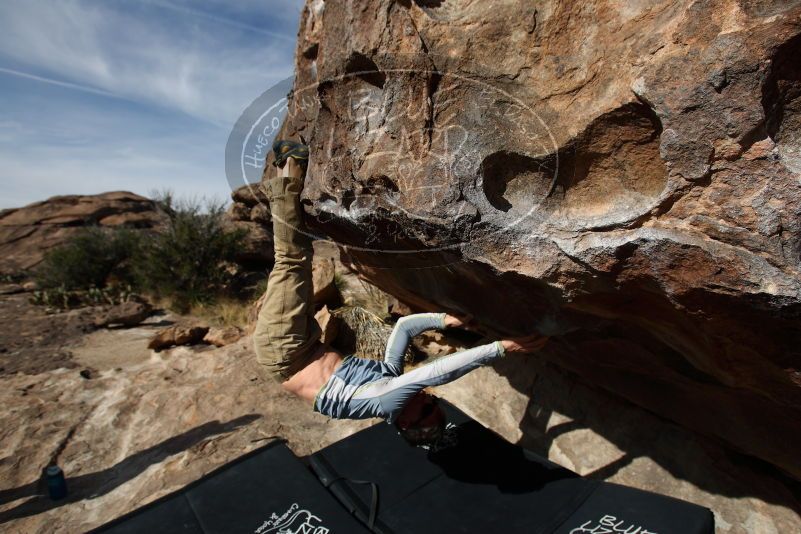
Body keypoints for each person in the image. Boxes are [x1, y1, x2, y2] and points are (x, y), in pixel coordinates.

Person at [253, 140, 548, 445]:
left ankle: (288, 169)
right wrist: (446, 320)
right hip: (307, 343)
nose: (428, 400)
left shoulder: (384, 402)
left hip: (284, 351)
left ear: (404, 422)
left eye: (426, 411)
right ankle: (284, 171)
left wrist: (500, 348)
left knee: (292, 261)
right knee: (298, 260)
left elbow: (429, 375)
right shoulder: (388, 379)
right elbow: (405, 328)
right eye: (434, 405)